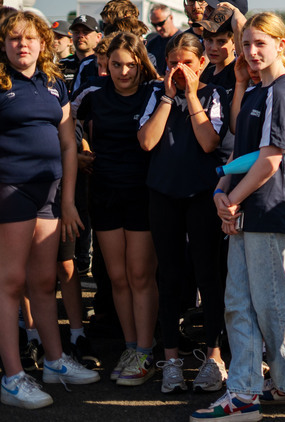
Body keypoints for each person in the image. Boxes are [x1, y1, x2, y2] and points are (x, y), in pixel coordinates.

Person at [193, 12, 285, 421]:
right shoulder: (259, 91)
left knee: (267, 303)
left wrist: (232, 200)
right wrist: (221, 192)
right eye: (246, 44)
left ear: (283, 44)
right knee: (240, 302)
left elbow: (270, 161)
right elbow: (239, 155)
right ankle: (263, 389)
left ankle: (282, 384)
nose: (251, 52)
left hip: (269, 207)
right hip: (246, 207)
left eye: (260, 43)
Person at [0, 12, 100, 411]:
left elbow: (68, 146)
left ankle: (55, 362)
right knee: (10, 284)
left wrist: (69, 199)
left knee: (44, 281)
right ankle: (11, 377)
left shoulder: (54, 84)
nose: (21, 44)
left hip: (51, 195)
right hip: (11, 192)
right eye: (13, 38)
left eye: (29, 38)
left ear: (43, 43)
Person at [137, 32, 231, 394]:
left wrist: (191, 95)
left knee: (209, 276)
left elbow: (210, 141)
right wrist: (168, 96)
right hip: (163, 193)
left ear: (202, 63)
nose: (179, 69)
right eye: (173, 62)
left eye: (187, 63)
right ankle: (172, 359)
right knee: (170, 277)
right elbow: (146, 142)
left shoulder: (215, 94)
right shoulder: (155, 94)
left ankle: (214, 357)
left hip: (202, 195)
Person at [72, 32, 160, 387]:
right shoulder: (92, 95)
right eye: (116, 64)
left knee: (141, 276)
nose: (124, 72)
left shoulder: (155, 92)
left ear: (141, 63)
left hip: (143, 193)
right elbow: (62, 123)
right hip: (104, 192)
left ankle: (146, 349)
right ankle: (130, 347)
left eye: (131, 64)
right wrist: (77, 152)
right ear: (104, 65)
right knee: (118, 278)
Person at [63, 15, 101, 94]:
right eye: (76, 32)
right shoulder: (62, 66)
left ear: (98, 37)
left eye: (85, 32)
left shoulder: (104, 64)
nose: (80, 36)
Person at [146, 4, 179, 75]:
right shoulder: (152, 44)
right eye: (154, 25)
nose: (158, 28)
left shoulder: (183, 40)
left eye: (161, 23)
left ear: (171, 17)